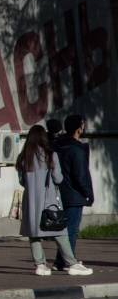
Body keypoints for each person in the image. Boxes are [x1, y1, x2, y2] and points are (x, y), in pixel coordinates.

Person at [17, 124, 92, 276]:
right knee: (60, 231)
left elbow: (22, 181)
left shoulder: (24, 157)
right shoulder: (50, 155)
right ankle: (71, 263)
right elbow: (58, 178)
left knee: (34, 233)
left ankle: (40, 265)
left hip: (30, 201)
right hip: (49, 199)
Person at [52, 114, 95, 270]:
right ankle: (68, 261)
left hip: (62, 193)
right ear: (79, 129)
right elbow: (80, 175)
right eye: (82, 125)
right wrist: (87, 193)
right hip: (75, 195)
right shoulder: (76, 150)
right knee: (71, 229)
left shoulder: (58, 146)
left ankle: (61, 261)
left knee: (66, 229)